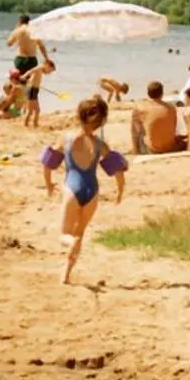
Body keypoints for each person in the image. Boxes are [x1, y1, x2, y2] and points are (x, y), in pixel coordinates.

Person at [46, 96, 125, 284]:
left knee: (64, 235)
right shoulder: (100, 145)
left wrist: (48, 183)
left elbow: (48, 162)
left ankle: (69, 250)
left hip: (72, 188)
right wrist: (120, 191)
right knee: (79, 232)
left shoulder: (66, 138)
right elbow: (118, 170)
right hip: (92, 190)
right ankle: (65, 274)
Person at [130, 81, 183, 154]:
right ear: (162, 94)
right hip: (170, 147)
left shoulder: (140, 108)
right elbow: (174, 127)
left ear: (148, 94)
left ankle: (136, 151)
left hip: (152, 150)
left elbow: (134, 132)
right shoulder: (172, 108)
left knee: (139, 128)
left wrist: (136, 151)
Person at [6, 13, 47, 85]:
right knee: (30, 83)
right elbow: (41, 46)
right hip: (32, 59)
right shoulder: (34, 30)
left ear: (20, 21)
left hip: (20, 59)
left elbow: (9, 43)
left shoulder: (18, 30)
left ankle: (19, 95)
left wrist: (16, 28)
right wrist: (46, 58)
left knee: (18, 82)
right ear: (29, 22)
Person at [23, 59, 54, 127]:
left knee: (37, 110)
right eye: (50, 70)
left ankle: (35, 124)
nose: (50, 72)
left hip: (35, 90)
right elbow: (30, 71)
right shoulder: (39, 67)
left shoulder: (41, 69)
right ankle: (25, 125)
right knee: (30, 111)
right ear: (47, 65)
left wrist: (32, 81)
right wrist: (24, 76)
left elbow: (33, 77)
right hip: (31, 89)